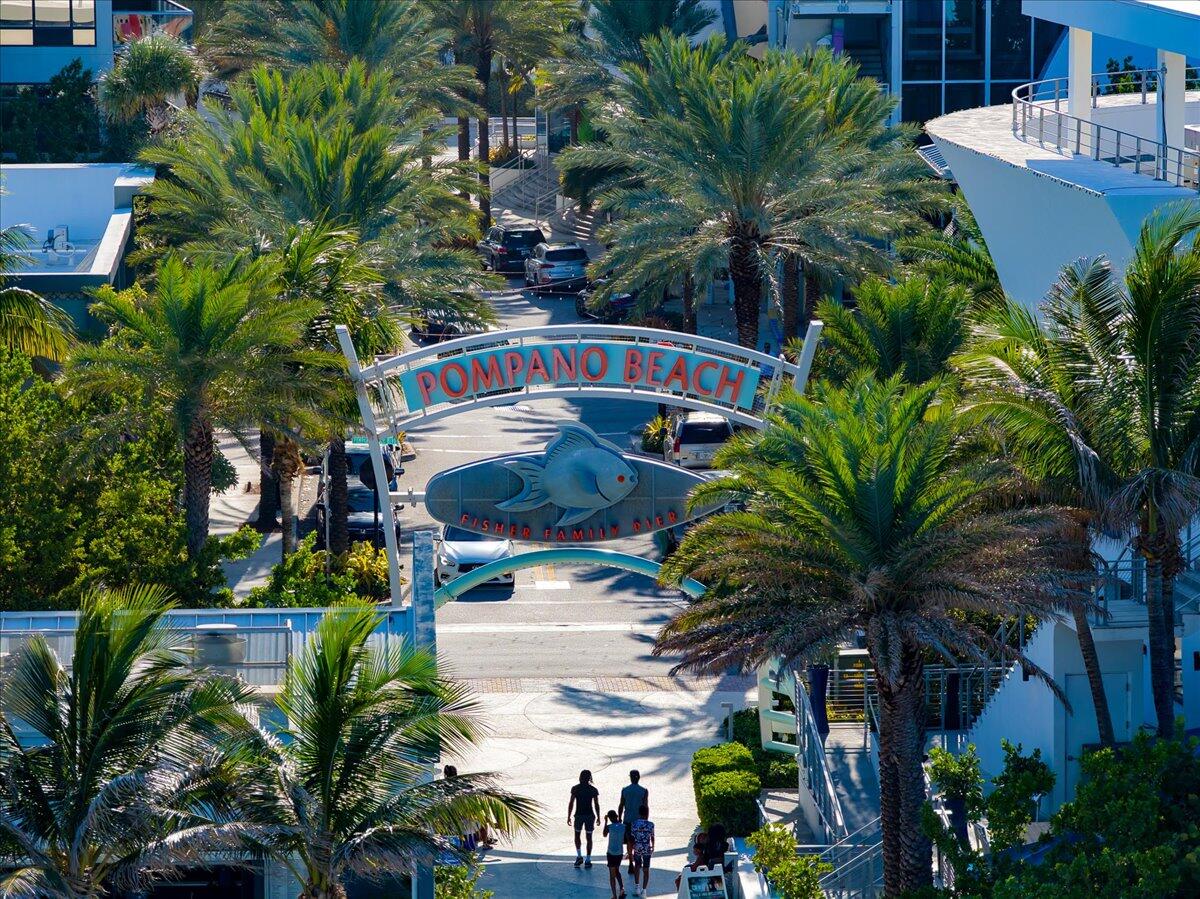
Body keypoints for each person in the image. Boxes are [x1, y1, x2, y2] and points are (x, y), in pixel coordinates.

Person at [567, 769, 600, 868]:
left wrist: (569, 815)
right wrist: (598, 816)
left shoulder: (575, 788)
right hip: (590, 815)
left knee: (577, 835)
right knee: (589, 837)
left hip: (579, 815)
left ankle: (579, 856)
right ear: (589, 778)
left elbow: (571, 803)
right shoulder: (593, 789)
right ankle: (588, 859)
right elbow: (596, 804)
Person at [618, 770, 649, 874]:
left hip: (627, 820)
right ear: (639, 777)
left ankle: (631, 863)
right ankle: (637, 861)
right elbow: (645, 806)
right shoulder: (644, 790)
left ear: (630, 777)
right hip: (639, 820)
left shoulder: (625, 790)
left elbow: (621, 805)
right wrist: (646, 820)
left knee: (629, 842)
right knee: (638, 842)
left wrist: (619, 818)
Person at [629, 804, 654, 897]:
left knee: (637, 867)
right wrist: (653, 847)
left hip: (637, 847)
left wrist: (630, 850)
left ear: (639, 813)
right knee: (646, 869)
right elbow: (652, 837)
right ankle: (644, 891)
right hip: (647, 848)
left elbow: (632, 837)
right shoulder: (651, 824)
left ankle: (637, 888)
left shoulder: (634, 823)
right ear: (647, 813)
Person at [602, 810, 626, 899]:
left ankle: (614, 896)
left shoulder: (609, 827)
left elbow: (604, 834)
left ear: (609, 818)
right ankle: (622, 888)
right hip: (619, 853)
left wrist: (605, 822)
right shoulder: (624, 826)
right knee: (617, 871)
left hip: (611, 853)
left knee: (612, 875)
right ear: (616, 816)